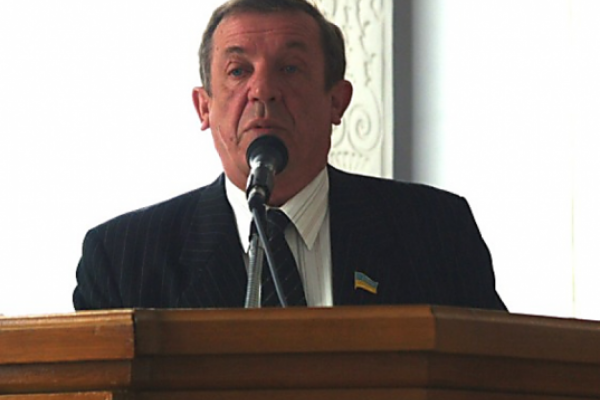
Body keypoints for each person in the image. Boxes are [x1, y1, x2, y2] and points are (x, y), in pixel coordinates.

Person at [73, 0, 506, 311]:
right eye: (238, 71)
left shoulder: (435, 232)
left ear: (337, 101)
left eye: (290, 68)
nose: (263, 91)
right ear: (204, 107)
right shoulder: (123, 258)